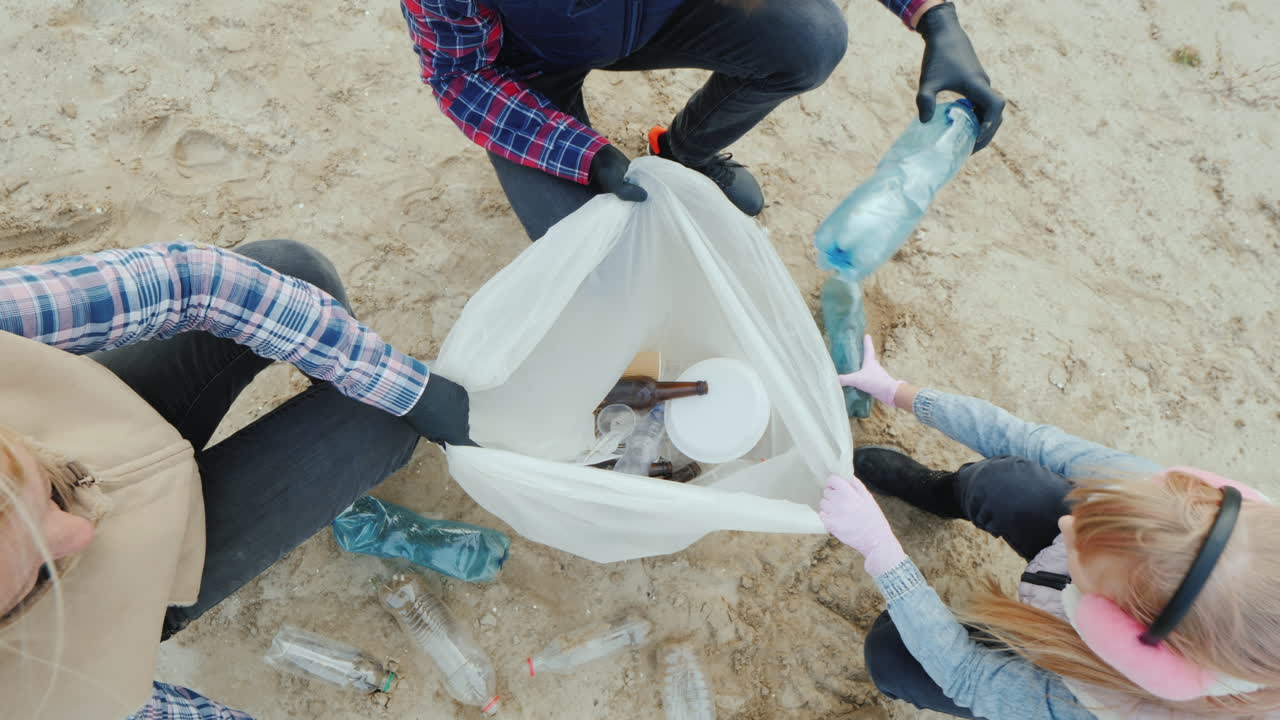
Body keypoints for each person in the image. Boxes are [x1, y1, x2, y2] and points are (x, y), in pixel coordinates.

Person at [0, 239, 473, 719]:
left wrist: (400, 386)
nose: (81, 531)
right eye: (36, 570)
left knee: (292, 273)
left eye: (35, 494)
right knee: (381, 422)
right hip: (138, 590)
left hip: (106, 421)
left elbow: (194, 280)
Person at [821, 336, 1280, 719]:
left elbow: (966, 673)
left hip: (1074, 665)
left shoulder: (1094, 705)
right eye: (1089, 518)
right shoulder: (1168, 507)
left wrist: (882, 551)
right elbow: (1030, 441)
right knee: (1007, 483)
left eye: (1083, 544)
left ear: (1117, 631)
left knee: (893, 655)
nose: (1065, 521)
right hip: (1109, 595)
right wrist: (896, 390)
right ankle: (935, 492)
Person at [400, 0, 1005, 239]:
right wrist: (582, 152)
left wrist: (934, 16)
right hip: (530, 64)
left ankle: (682, 153)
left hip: (667, 11)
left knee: (807, 40)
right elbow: (462, 77)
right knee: (597, 257)